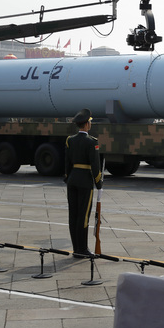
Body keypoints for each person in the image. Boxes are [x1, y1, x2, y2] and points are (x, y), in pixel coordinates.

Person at [64, 108, 103, 258]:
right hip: (85, 182)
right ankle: (83, 249)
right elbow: (95, 165)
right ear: (86, 124)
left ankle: (76, 248)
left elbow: (67, 162)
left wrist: (68, 177)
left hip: (72, 180)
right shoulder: (91, 142)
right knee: (84, 216)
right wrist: (98, 183)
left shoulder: (70, 140)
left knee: (73, 215)